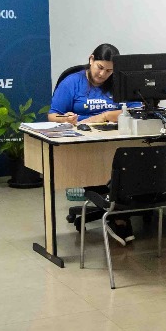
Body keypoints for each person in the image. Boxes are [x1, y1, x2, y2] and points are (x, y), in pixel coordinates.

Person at [49, 43, 135, 243]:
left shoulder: (119, 83)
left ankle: (118, 211)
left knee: (128, 163)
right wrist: (66, 119)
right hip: (85, 143)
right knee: (107, 168)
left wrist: (105, 116)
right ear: (91, 60)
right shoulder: (72, 82)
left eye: (109, 70)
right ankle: (117, 215)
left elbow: (135, 109)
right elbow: (53, 116)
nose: (103, 74)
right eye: (100, 67)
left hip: (115, 139)